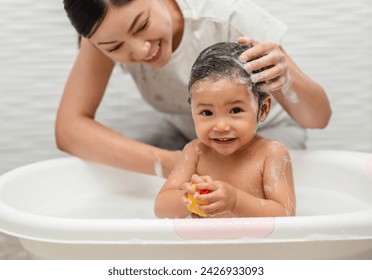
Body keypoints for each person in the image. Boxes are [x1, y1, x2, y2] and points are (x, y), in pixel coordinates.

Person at [57, 0, 331, 179]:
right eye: (115, 48)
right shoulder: (101, 34)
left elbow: (319, 119)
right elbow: (69, 130)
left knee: (241, 187)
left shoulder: (226, 17)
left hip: (265, 132)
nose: (140, 49)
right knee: (127, 180)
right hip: (188, 134)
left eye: (142, 25)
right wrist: (175, 163)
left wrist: (287, 79)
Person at [154, 42, 296, 218]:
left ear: (263, 109)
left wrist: (235, 201)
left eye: (235, 110)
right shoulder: (195, 152)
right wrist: (189, 197)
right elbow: (161, 207)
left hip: (253, 244)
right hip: (206, 244)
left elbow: (285, 215)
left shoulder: (271, 153)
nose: (221, 126)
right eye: (207, 112)